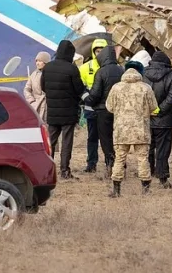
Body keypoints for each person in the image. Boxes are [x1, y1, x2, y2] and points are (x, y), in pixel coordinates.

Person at [105, 67, 158, 197]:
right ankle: (145, 190)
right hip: (141, 129)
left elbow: (109, 107)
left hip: (121, 130)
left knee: (119, 158)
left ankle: (116, 190)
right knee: (143, 159)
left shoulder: (116, 88)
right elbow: (154, 107)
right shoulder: (145, 88)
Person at [40, 40, 86, 180]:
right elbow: (79, 89)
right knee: (67, 141)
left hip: (53, 111)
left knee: (51, 142)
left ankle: (48, 170)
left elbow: (43, 87)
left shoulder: (48, 67)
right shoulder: (72, 69)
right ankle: (65, 171)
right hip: (68, 111)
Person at [142, 51, 172, 189]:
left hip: (147, 118)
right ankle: (163, 177)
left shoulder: (144, 74)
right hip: (165, 120)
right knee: (163, 149)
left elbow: (140, 94)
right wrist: (160, 109)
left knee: (148, 147)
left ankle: (148, 173)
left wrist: (150, 109)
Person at [85, 45, 124, 178]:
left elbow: (95, 94)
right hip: (120, 111)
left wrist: (88, 100)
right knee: (118, 139)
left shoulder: (101, 72)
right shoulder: (121, 70)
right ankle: (121, 165)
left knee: (105, 139)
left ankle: (110, 163)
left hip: (103, 111)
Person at [78, 38, 108, 173]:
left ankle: (110, 162)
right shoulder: (85, 67)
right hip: (91, 109)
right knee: (92, 138)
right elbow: (80, 87)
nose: (99, 53)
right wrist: (87, 99)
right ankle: (91, 163)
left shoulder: (110, 68)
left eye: (102, 51)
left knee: (108, 137)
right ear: (93, 51)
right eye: (97, 51)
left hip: (106, 109)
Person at [24, 51, 51, 123]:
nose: (37, 63)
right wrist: (31, 101)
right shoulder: (34, 74)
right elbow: (27, 89)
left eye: (40, 61)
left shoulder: (52, 74)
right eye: (36, 61)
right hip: (36, 106)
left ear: (45, 62)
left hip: (49, 107)